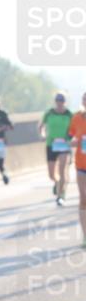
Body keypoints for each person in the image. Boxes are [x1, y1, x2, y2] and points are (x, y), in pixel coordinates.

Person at [40, 92, 73, 206]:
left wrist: (70, 138)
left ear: (65, 102)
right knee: (51, 174)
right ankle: (57, 182)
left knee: (62, 170)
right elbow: (41, 126)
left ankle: (61, 196)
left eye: (62, 101)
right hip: (51, 145)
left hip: (64, 145)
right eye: (58, 101)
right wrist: (43, 135)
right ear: (55, 102)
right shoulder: (49, 113)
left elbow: (74, 129)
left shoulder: (69, 114)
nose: (60, 103)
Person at [68, 91, 86, 248]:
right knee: (83, 199)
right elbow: (72, 135)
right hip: (81, 165)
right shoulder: (76, 118)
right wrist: (73, 141)